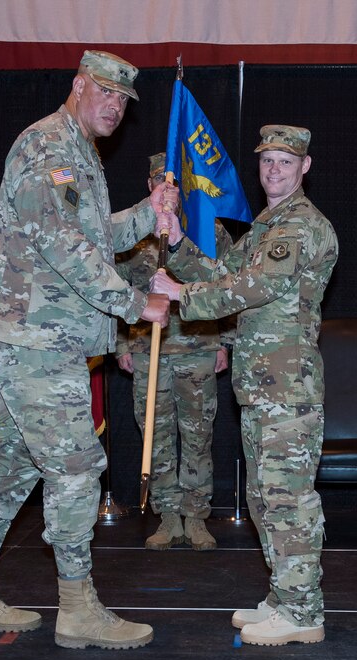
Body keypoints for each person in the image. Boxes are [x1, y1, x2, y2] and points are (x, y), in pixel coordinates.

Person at [0, 49, 174, 651]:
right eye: (105, 92)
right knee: (76, 466)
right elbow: (64, 247)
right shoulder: (49, 145)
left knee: (13, 463)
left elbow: (91, 236)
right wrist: (135, 303)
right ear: (78, 85)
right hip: (34, 333)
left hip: (39, 332)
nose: (114, 106)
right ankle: (76, 609)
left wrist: (147, 213)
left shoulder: (79, 152)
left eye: (123, 99)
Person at [151, 125, 338, 646]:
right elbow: (219, 272)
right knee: (263, 497)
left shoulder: (301, 225)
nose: (274, 169)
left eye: (285, 161)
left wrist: (181, 295)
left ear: (305, 167)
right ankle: (283, 596)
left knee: (287, 500)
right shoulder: (265, 226)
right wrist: (177, 242)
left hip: (287, 386)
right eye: (267, 160)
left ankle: (303, 611)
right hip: (260, 385)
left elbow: (254, 287)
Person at [115, 152, 234, 552]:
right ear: (149, 186)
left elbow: (228, 287)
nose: (167, 190)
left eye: (173, 184)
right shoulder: (131, 232)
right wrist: (121, 345)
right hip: (148, 348)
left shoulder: (207, 229)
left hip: (198, 345)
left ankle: (196, 516)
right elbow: (116, 290)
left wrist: (225, 343)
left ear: (183, 188)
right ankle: (167, 515)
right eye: (159, 182)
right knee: (155, 434)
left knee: (198, 433)